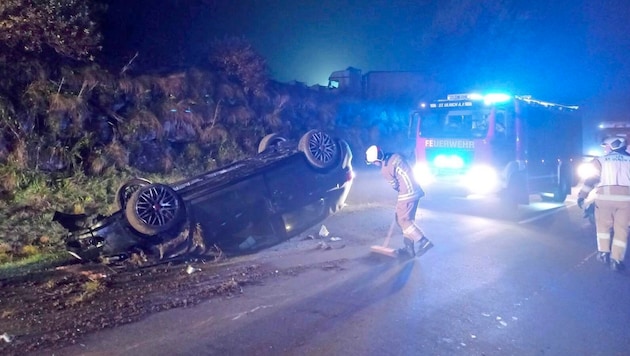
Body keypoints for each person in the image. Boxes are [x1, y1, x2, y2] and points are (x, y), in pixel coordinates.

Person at [365, 145, 433, 257]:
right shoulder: (395, 156)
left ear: (376, 160)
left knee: (403, 221)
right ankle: (409, 249)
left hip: (407, 193)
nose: (374, 164)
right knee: (406, 220)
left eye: (373, 163)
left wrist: (400, 194)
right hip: (415, 189)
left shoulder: (385, 169)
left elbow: (395, 185)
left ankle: (423, 242)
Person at [577, 136, 630, 272]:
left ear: (613, 146)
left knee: (603, 228)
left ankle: (603, 253)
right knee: (621, 231)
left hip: (604, 200)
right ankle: (616, 260)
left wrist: (582, 196)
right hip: (626, 202)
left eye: (606, 146)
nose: (605, 148)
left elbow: (591, 180)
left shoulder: (600, 161)